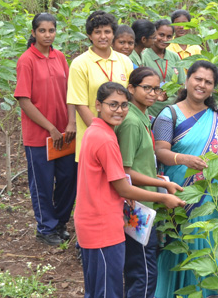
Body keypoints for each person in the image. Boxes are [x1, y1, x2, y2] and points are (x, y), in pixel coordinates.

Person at [75, 82, 185, 298]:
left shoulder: (95, 131)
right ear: (98, 104)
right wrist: (163, 199)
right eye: (113, 105)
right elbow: (124, 188)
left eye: (124, 105)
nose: (119, 110)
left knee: (97, 289)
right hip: (102, 226)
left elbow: (113, 179)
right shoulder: (105, 139)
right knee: (108, 291)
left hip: (92, 221)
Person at [153, 60, 218, 297]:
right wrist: (184, 159)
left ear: (213, 88)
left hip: (209, 197)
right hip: (179, 193)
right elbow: (160, 151)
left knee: (207, 246)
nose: (202, 85)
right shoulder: (169, 114)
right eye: (198, 79)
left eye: (208, 82)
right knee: (179, 246)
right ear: (187, 80)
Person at [116, 67, 184, 296]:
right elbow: (125, 172)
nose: (153, 93)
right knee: (143, 273)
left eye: (157, 88)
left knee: (143, 268)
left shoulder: (142, 117)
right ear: (131, 89)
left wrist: (159, 180)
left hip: (146, 202)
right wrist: (163, 187)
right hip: (137, 205)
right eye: (147, 88)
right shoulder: (132, 123)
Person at [15, 13, 77, 247]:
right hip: (39, 136)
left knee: (67, 179)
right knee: (42, 182)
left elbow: (71, 93)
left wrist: (70, 123)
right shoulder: (26, 60)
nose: (47, 35)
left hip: (65, 133)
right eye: (42, 31)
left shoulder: (60, 57)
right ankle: (45, 227)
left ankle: (60, 223)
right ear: (34, 33)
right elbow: (24, 100)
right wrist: (51, 127)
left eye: (51, 30)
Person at [67, 10, 134, 160]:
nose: (103, 36)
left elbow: (131, 99)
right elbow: (80, 104)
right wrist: (103, 135)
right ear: (90, 36)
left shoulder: (125, 61)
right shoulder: (80, 64)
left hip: (122, 136)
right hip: (93, 138)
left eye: (107, 32)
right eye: (97, 32)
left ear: (113, 34)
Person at [142, 19, 186, 117]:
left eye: (169, 36)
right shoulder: (143, 57)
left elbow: (181, 86)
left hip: (173, 113)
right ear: (153, 34)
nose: (165, 39)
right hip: (150, 112)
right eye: (161, 35)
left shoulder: (175, 57)